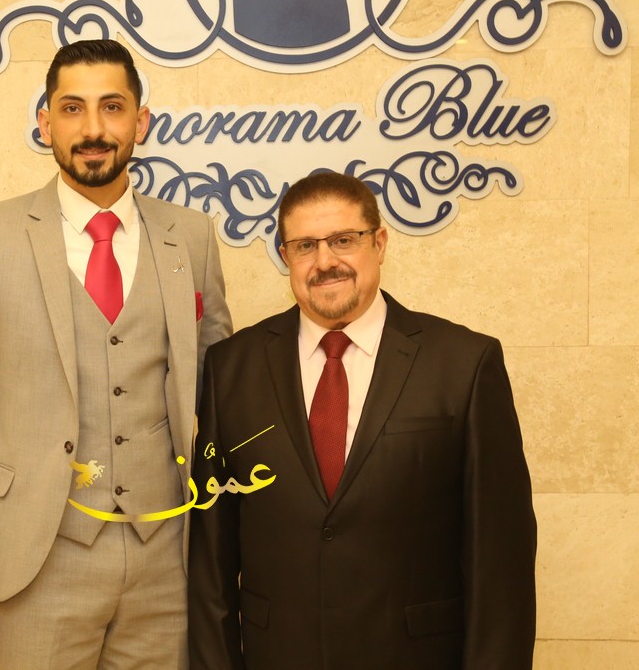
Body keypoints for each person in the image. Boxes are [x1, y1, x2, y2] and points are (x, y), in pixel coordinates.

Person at [0, 39, 231, 669]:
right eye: (72, 109)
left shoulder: (192, 237)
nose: (93, 129)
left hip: (166, 559)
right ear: (46, 123)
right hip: (37, 559)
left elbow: (223, 396)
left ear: (140, 122)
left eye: (112, 107)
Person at [187, 172, 535, 669]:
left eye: (343, 240)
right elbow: (210, 562)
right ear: (285, 257)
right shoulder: (230, 368)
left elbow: (501, 565)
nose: (325, 261)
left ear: (380, 243)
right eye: (305, 246)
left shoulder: (464, 364)